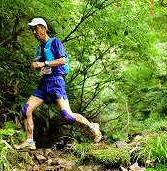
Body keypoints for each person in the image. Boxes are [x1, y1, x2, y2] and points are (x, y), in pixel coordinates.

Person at [16, 17, 102, 150]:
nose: (34, 32)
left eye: (36, 28)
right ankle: (29, 142)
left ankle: (92, 126)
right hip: (44, 84)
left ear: (44, 28)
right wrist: (37, 66)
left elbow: (62, 60)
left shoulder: (55, 42)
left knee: (68, 115)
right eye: (32, 29)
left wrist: (43, 63)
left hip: (56, 82)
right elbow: (40, 65)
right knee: (26, 109)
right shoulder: (40, 48)